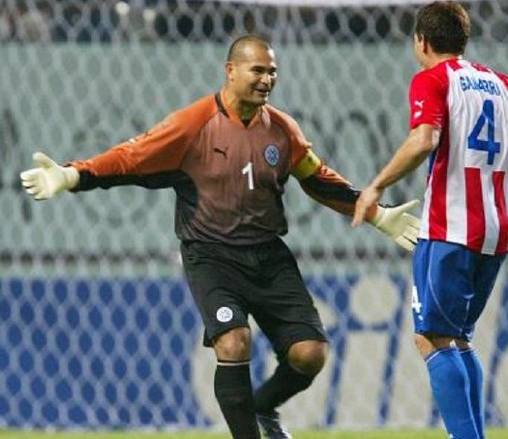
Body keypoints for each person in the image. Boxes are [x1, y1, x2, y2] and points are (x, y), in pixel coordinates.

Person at [20, 35, 420, 439]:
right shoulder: (191, 124)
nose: (267, 79)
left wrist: (376, 214)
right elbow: (129, 157)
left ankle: (261, 408)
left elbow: (316, 178)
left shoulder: (282, 130)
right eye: (258, 70)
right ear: (231, 71)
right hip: (210, 256)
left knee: (310, 354)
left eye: (272, 72)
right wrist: (71, 175)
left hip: (268, 255)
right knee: (233, 342)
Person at [352, 1, 508, 439]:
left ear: (421, 41)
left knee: (430, 338)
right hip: (496, 232)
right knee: (459, 339)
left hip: (449, 228)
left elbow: (423, 139)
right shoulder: (502, 84)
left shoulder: (432, 80)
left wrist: (376, 187)